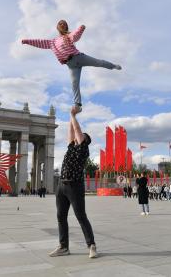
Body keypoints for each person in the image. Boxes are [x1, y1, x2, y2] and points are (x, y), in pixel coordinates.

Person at [22, 20, 122, 113]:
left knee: (99, 62)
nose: (63, 25)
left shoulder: (68, 36)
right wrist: (27, 41)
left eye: (65, 24)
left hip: (79, 57)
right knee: (74, 83)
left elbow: (75, 36)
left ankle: (113, 66)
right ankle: (77, 104)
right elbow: (39, 42)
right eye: (61, 24)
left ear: (66, 27)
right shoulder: (51, 42)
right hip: (71, 65)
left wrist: (80, 29)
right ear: (58, 27)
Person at [49, 106, 97, 259]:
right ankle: (63, 247)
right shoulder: (71, 146)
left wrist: (73, 115)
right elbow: (71, 130)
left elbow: (76, 129)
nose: (77, 136)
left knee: (81, 216)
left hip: (75, 186)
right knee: (60, 216)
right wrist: (71, 116)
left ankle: (91, 245)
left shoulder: (83, 149)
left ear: (85, 140)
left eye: (81, 135)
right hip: (62, 186)